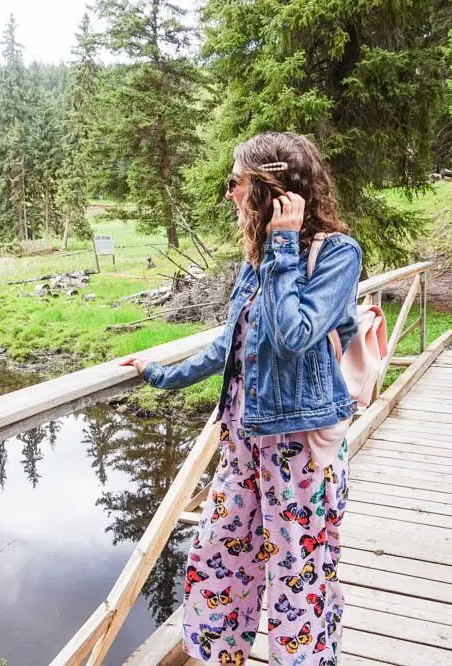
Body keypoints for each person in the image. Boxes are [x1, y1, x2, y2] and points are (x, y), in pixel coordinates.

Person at [121, 132, 362, 665]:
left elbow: (293, 334)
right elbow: (228, 347)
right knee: (217, 561)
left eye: (237, 182)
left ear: (271, 191)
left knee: (299, 574)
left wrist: (282, 246)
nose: (229, 193)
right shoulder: (254, 263)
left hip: (298, 450)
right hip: (242, 444)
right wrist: (160, 373)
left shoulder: (337, 254)